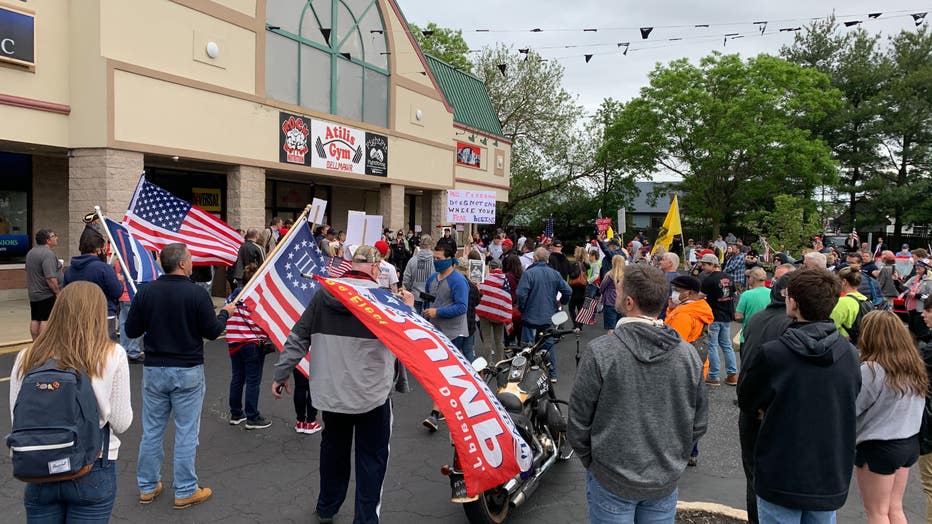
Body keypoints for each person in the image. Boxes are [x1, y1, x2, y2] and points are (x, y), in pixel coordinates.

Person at [271, 245, 413, 524]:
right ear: (375, 268)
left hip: (331, 394)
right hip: (373, 396)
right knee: (371, 460)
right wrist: (408, 308)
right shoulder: (384, 299)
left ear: (350, 264)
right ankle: (365, 519)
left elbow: (299, 336)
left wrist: (281, 373)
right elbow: (409, 341)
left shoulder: (324, 294)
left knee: (333, 452)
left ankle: (327, 506)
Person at [569, 264, 708, 523]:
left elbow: (578, 420)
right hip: (662, 478)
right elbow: (698, 421)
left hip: (612, 478)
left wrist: (593, 462)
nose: (617, 295)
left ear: (629, 302)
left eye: (619, 291)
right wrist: (674, 458)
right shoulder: (687, 355)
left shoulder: (602, 351)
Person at [738, 267, 861, 524]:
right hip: (828, 472)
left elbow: (748, 401)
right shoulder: (849, 354)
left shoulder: (774, 354)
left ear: (792, 302)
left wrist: (769, 409)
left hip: (780, 469)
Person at [9, 282, 133, 522]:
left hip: (39, 464)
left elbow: (18, 419)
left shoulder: (27, 357)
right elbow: (121, 422)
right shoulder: (111, 354)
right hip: (92, 464)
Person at [125, 243, 236, 509]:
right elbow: (211, 331)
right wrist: (224, 314)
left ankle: (147, 487)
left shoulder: (146, 292)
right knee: (186, 432)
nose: (193, 261)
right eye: (191, 258)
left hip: (155, 369)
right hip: (187, 370)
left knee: (151, 431)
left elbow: (131, 330)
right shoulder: (196, 293)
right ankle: (185, 489)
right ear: (183, 264)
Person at [854, 311, 926, 524]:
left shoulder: (871, 369)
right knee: (895, 508)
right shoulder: (913, 366)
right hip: (908, 442)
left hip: (878, 446)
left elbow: (853, 407)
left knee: (876, 512)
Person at [664, 274, 714, 467]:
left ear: (690, 293)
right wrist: (671, 309)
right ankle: (691, 451)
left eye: (677, 290)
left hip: (683, 369)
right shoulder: (695, 309)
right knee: (692, 410)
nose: (673, 293)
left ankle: (680, 452)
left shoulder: (684, 314)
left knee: (680, 413)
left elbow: (674, 344)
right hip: (698, 365)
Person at [421, 242, 471, 431]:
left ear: (450, 259)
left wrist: (438, 312)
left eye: (439, 259)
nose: (435, 262)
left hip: (453, 333)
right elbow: (428, 302)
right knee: (443, 375)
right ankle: (451, 405)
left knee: (444, 376)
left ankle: (435, 413)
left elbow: (462, 307)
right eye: (434, 258)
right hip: (435, 332)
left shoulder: (458, 281)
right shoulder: (433, 278)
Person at [225, 263, 272, 430]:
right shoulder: (254, 297)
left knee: (237, 378)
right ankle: (253, 416)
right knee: (253, 380)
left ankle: (236, 413)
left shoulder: (233, 297)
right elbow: (260, 322)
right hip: (251, 342)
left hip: (234, 341)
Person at [517, 247, 572, 382]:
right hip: (548, 314)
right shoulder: (554, 274)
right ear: (547, 259)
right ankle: (552, 373)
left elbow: (520, 293)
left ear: (534, 259)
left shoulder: (529, 274)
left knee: (527, 345)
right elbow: (568, 290)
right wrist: (561, 302)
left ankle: (525, 373)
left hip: (530, 314)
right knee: (548, 344)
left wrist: (523, 308)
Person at [63, 226, 123, 341]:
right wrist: (119, 281)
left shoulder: (70, 271)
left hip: (78, 316)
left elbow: (65, 294)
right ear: (98, 249)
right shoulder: (104, 269)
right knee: (105, 350)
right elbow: (116, 292)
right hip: (103, 315)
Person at [697, 253, 737, 386]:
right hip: (727, 315)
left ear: (713, 265)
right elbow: (734, 293)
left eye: (705, 264)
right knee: (726, 345)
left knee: (712, 345)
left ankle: (714, 376)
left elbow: (700, 296)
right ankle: (732, 374)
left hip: (713, 315)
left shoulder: (709, 280)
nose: (702, 267)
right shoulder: (729, 277)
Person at [25, 229, 61, 340]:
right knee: (46, 319)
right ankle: (43, 345)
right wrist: (57, 292)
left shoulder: (31, 252)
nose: (56, 238)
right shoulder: (48, 254)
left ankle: (35, 344)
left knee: (35, 319)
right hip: (46, 294)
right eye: (54, 236)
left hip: (34, 294)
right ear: (47, 240)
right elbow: (50, 277)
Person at [476, 258, 511, 362]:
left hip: (484, 313)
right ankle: (500, 362)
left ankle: (489, 364)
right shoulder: (504, 280)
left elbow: (481, 293)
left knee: (487, 340)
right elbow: (507, 297)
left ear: (490, 267)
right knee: (499, 340)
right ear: (500, 267)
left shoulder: (485, 278)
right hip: (499, 313)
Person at [830, 265, 872, 343]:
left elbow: (832, 324)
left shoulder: (843, 302)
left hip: (847, 342)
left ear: (844, 282)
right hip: (863, 342)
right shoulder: (866, 299)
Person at [918, 300, 932, 523]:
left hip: (930, 425)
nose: (923, 315)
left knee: (930, 483)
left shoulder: (927, 352)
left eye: (928, 311)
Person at [734, 267, 770, 345]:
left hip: (749, 336)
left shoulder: (746, 294)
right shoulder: (771, 293)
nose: (747, 279)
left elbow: (738, 316)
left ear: (753, 279)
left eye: (749, 277)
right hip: (767, 336)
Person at [402, 234, 436, 315]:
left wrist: (410, 289)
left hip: (415, 296)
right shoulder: (436, 261)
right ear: (431, 245)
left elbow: (406, 279)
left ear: (420, 246)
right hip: (431, 297)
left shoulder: (412, 260)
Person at [903, 258, 932, 343]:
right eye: (916, 269)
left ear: (926, 269)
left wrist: (916, 295)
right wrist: (896, 280)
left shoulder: (930, 280)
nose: (917, 271)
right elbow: (903, 288)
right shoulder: (914, 278)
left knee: (921, 334)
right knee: (911, 334)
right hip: (911, 310)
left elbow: (930, 298)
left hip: (921, 311)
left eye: (919, 269)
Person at [599, 255, 626, 334]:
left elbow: (602, 288)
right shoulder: (625, 275)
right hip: (621, 303)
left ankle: (610, 345)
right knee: (620, 326)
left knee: (611, 327)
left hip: (609, 302)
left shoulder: (610, 275)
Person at [502, 253, 524, 346]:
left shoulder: (506, 276)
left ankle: (509, 349)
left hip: (508, 308)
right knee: (520, 334)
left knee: (508, 333)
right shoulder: (524, 275)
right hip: (520, 307)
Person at [568, 246, 590, 329]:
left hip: (575, 288)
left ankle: (575, 324)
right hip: (583, 287)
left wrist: (570, 274)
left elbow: (575, 274)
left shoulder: (576, 264)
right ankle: (580, 325)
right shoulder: (586, 264)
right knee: (580, 307)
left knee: (571, 307)